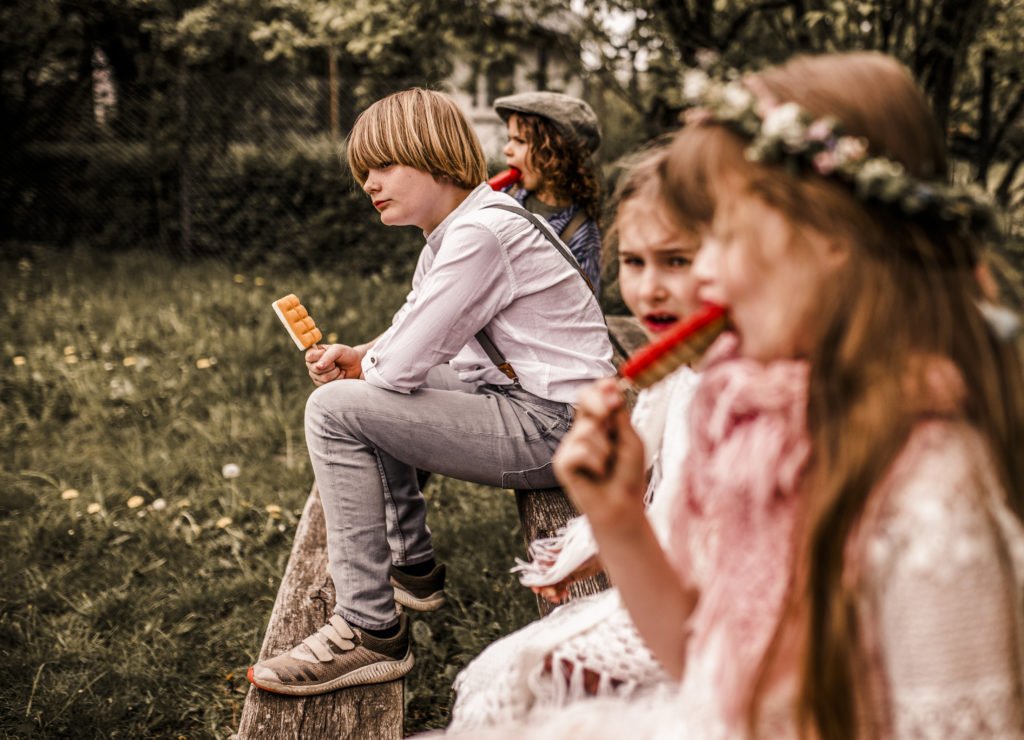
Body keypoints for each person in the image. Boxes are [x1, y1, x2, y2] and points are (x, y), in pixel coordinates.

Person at [444, 52, 1024, 738]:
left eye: (726, 234)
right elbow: (700, 659)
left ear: (835, 235)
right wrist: (621, 519)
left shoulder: (932, 498)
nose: (705, 276)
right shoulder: (750, 412)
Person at [246, 88, 614, 696]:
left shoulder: (480, 236)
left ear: (437, 156)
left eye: (384, 165)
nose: (369, 183)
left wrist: (371, 369)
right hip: (543, 406)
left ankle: (369, 630)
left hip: (559, 427)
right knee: (360, 394)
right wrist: (361, 355)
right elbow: (414, 331)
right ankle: (411, 568)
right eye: (363, 171)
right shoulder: (463, 227)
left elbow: (399, 372)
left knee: (336, 409)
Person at [448, 140, 710, 728]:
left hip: (710, 633)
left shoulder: (741, 403)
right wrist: (585, 548)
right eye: (636, 263)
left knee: (530, 687)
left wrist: (615, 527)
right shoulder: (682, 376)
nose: (648, 290)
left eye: (678, 261)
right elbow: (646, 473)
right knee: (505, 674)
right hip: (667, 599)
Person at [494, 91, 604, 292]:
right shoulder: (502, 199)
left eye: (519, 141)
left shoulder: (581, 235)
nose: (507, 149)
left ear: (554, 153)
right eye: (509, 139)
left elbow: (586, 311)